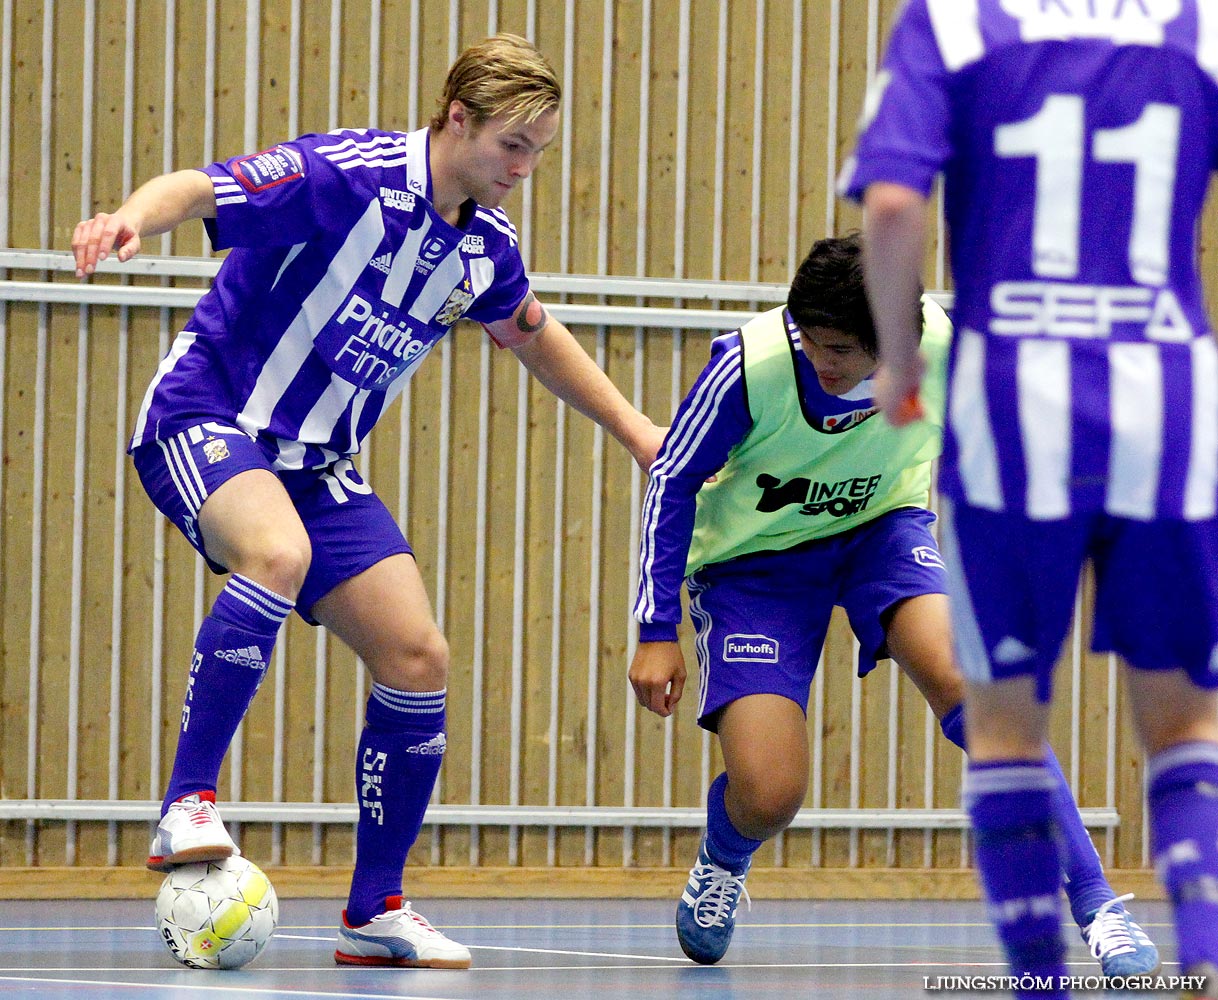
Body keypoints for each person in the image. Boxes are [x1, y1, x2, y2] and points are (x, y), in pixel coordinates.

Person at [72, 33, 663, 971]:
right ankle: (187, 801)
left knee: (418, 656)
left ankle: (373, 910)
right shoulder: (342, 174)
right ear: (457, 118)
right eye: (513, 145)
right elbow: (199, 186)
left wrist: (638, 433)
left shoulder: (483, 249)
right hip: (208, 414)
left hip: (320, 466)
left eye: (540, 151)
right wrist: (128, 218)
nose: (525, 169)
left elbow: (536, 336)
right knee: (275, 554)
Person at [628, 234, 1157, 978]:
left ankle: (1100, 907)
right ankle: (725, 855)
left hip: (881, 532)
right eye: (809, 339)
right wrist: (656, 628)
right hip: (756, 566)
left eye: (840, 348)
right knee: (771, 791)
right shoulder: (752, 368)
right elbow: (672, 481)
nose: (821, 360)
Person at [840, 4, 1218, 998]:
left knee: (1004, 725)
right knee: (1185, 729)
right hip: (1166, 394)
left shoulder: (955, 26)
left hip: (1014, 398)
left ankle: (1040, 984)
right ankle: (1209, 959)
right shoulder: (1197, 28)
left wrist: (896, 357)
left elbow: (890, 207)